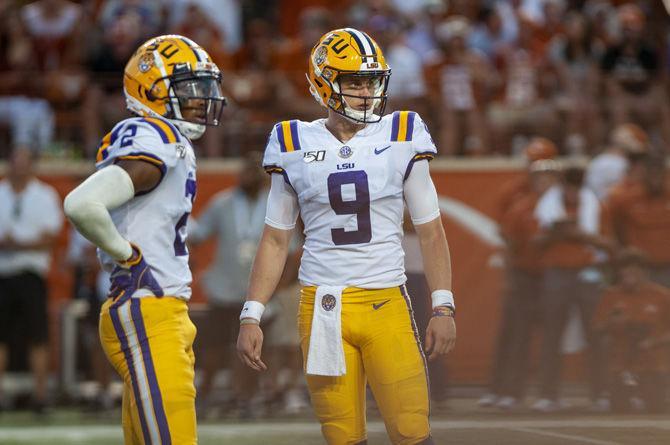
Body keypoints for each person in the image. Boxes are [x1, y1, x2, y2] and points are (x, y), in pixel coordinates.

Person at [237, 28, 456, 444]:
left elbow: (431, 230)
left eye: (371, 81)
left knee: (412, 430)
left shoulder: (402, 132)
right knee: (341, 436)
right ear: (324, 83)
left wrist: (443, 306)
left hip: (385, 300)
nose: (366, 92)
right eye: (354, 81)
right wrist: (252, 314)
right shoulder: (291, 141)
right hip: (321, 307)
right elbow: (275, 239)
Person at [64, 35, 226, 444]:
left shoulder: (167, 139)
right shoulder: (155, 136)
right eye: (190, 89)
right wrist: (130, 259)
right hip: (148, 309)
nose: (201, 99)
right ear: (151, 90)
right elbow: (82, 204)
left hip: (156, 307)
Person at [188, 151, 269, 417]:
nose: (251, 175)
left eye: (257, 170)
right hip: (223, 287)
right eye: (248, 169)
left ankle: (245, 397)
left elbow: (288, 247)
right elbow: (197, 235)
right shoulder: (223, 203)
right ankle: (205, 395)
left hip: (256, 292)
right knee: (214, 346)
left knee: (253, 350)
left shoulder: (273, 204)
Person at [0, 147, 63, 413]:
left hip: (32, 274)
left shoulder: (45, 195)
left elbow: (51, 238)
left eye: (24, 162)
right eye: (16, 162)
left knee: (38, 336)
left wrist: (18, 245)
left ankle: (40, 395)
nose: (20, 167)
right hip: (3, 274)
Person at [594, 248, 670, 413]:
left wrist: (653, 342)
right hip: (622, 363)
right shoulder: (611, 295)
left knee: (656, 408)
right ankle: (608, 391)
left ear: (645, 272)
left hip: (653, 364)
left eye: (634, 269)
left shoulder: (662, 296)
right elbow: (597, 328)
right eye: (624, 269)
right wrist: (611, 323)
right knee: (619, 409)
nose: (628, 274)